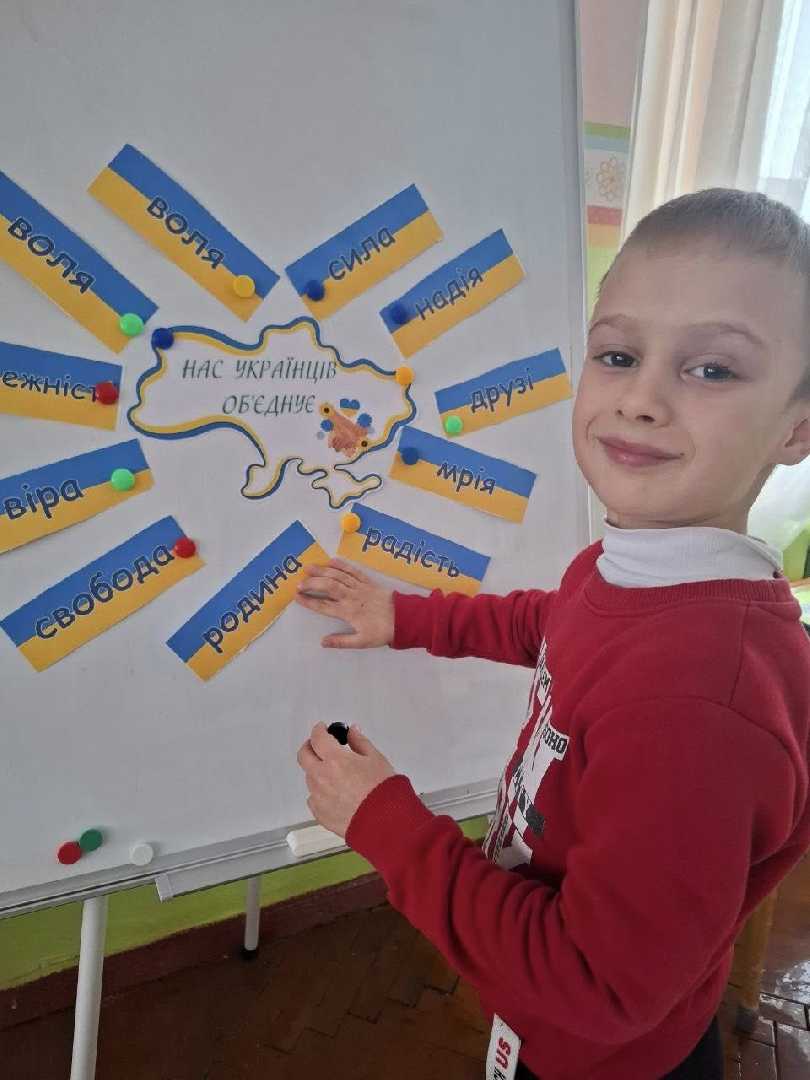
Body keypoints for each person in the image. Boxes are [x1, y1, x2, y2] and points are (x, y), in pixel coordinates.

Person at [295, 189, 810, 1079]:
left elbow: (592, 984)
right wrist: (407, 617)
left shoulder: (697, 705)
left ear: (797, 428)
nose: (641, 399)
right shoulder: (642, 568)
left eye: (712, 369)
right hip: (576, 1021)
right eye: (618, 355)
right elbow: (556, 621)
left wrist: (384, 823)